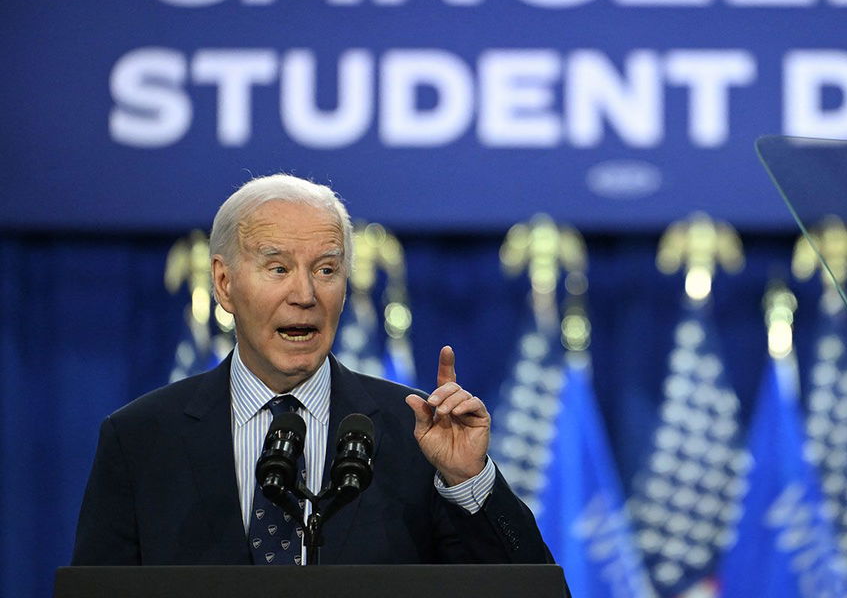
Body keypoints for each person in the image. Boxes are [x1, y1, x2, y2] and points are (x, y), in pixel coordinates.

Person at [72, 174, 553, 566]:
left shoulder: (416, 434)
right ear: (223, 283)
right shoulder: (139, 440)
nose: (305, 295)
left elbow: (530, 592)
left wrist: (468, 480)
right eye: (278, 268)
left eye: (326, 270)